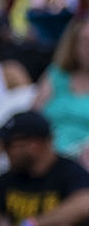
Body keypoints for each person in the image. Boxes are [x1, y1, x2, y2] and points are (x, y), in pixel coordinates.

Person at [32, 15, 89, 161]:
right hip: (47, 157)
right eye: (85, 42)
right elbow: (33, 116)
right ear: (73, 45)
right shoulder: (56, 75)